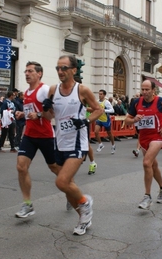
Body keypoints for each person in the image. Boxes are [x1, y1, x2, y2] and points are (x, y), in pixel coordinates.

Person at [44, 55, 103, 235]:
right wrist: (46, 108)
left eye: (64, 68)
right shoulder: (53, 90)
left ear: (74, 70)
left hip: (77, 143)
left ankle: (85, 202)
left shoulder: (82, 90)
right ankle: (84, 218)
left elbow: (98, 110)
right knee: (67, 185)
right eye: (58, 68)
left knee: (61, 181)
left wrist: (85, 121)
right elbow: (49, 117)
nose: (60, 72)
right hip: (60, 142)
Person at [14, 61, 61, 218]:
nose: (27, 74)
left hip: (45, 136)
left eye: (30, 71)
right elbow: (32, 111)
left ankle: (69, 187)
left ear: (39, 74)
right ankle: (27, 204)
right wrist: (23, 113)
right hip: (29, 135)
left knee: (54, 168)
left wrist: (39, 114)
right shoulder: (26, 92)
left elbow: (52, 113)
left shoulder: (44, 90)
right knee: (21, 167)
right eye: (25, 71)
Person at [124, 79, 162, 210]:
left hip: (158, 136)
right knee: (153, 165)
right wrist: (134, 120)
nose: (144, 92)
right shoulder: (136, 102)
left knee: (146, 162)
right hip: (143, 138)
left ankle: (147, 196)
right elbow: (127, 120)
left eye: (147, 89)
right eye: (142, 89)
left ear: (153, 90)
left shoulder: (161, 101)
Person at [95, 89, 116, 154]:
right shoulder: (97, 101)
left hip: (106, 120)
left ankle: (113, 145)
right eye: (99, 94)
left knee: (109, 133)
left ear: (104, 95)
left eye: (101, 94)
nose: (99, 95)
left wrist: (104, 110)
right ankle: (100, 144)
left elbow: (112, 110)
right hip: (99, 119)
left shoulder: (106, 102)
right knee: (96, 132)